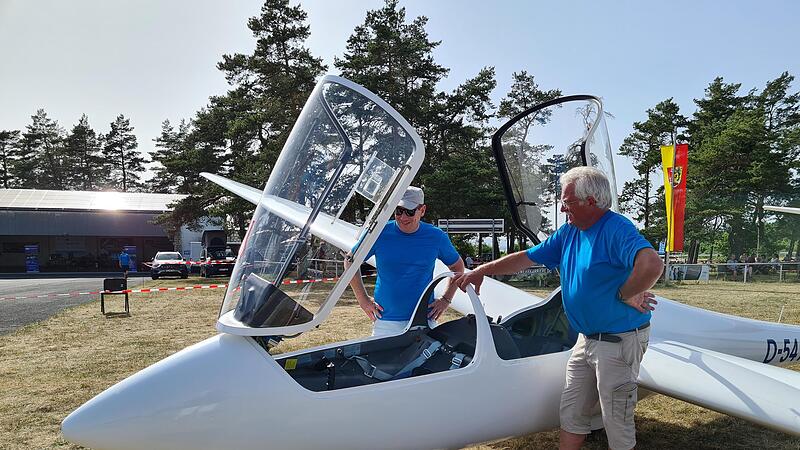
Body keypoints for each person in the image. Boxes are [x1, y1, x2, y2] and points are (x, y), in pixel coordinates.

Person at [455, 167, 663, 450]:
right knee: (572, 410)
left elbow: (652, 264)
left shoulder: (616, 228)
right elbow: (527, 258)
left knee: (616, 417)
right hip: (585, 339)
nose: (562, 207)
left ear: (591, 201)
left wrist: (628, 293)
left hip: (618, 341)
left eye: (568, 201)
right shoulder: (569, 231)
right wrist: (482, 270)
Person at [348, 186, 465, 336]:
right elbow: (350, 260)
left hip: (424, 320)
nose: (403, 217)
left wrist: (446, 299)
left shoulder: (436, 237)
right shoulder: (378, 232)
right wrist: (362, 299)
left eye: (410, 212)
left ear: (422, 210)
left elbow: (457, 266)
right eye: (399, 210)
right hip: (386, 321)